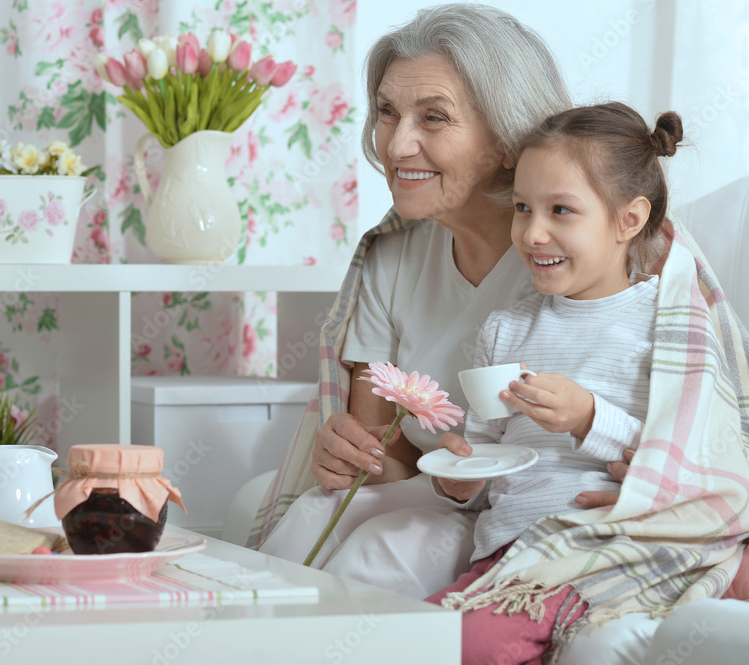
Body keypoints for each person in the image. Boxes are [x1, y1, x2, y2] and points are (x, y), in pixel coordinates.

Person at [254, 4, 583, 598]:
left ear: (511, 139)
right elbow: (389, 455)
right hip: (442, 493)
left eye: (434, 118)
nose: (397, 144)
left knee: (386, 550)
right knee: (310, 513)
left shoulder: (578, 247)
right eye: (386, 112)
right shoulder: (391, 255)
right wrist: (346, 451)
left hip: (535, 504)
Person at [426, 102, 680, 664]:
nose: (533, 233)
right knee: (413, 635)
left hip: (594, 555)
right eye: (522, 208)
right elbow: (485, 462)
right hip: (506, 556)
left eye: (561, 210)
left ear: (628, 220)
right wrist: (457, 476)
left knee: (455, 645)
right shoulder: (505, 330)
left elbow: (689, 461)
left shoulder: (667, 325)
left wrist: (590, 418)